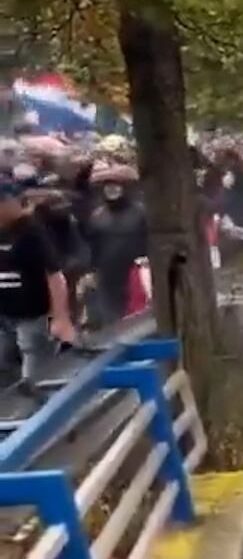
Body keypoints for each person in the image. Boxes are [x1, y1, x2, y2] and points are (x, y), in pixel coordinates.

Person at [0, 181, 76, 394]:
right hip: (4, 315)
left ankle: (45, 412)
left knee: (36, 372)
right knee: (4, 368)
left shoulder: (31, 231)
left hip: (32, 315)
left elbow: (54, 276)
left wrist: (60, 317)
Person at [83, 164, 147, 325]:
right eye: (107, 186)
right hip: (107, 275)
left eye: (116, 185)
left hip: (135, 274)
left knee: (136, 314)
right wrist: (90, 270)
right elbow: (91, 245)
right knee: (110, 316)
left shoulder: (141, 213)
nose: (111, 190)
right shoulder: (97, 215)